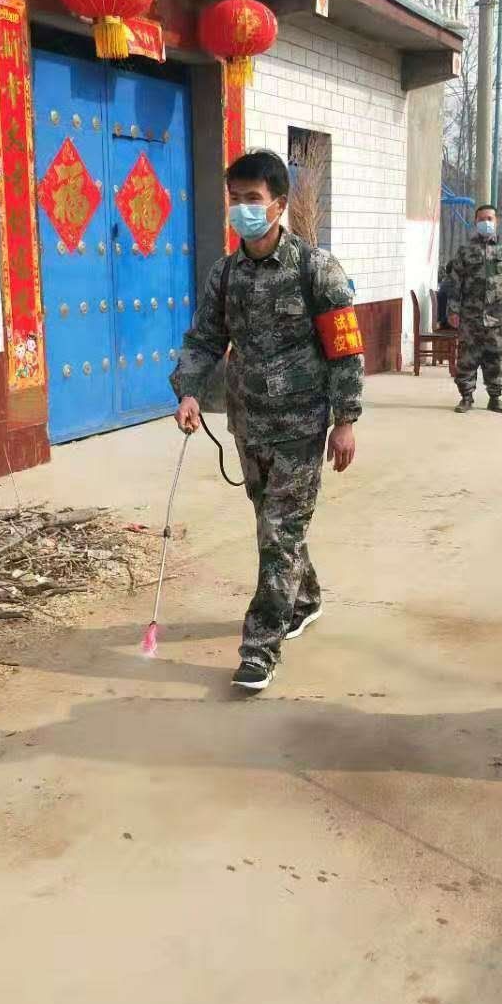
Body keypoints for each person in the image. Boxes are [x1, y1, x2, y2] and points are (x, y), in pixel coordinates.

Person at [170, 150, 365, 693]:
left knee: (277, 535)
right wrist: (188, 391)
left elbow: (345, 348)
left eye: (252, 199)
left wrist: (345, 419)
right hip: (248, 424)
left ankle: (259, 648)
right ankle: (306, 598)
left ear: (278, 204)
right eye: (235, 199)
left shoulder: (315, 269)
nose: (242, 209)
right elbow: (204, 339)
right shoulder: (225, 274)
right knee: (276, 525)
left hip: (301, 427)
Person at [445, 204, 502, 414]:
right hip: (470, 315)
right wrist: (453, 310)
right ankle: (466, 397)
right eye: (481, 219)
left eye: (490, 218)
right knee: (467, 357)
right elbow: (454, 283)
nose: (486, 222)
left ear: (496, 221)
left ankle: (495, 398)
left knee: (495, 357)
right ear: (475, 222)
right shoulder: (465, 251)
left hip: (496, 316)